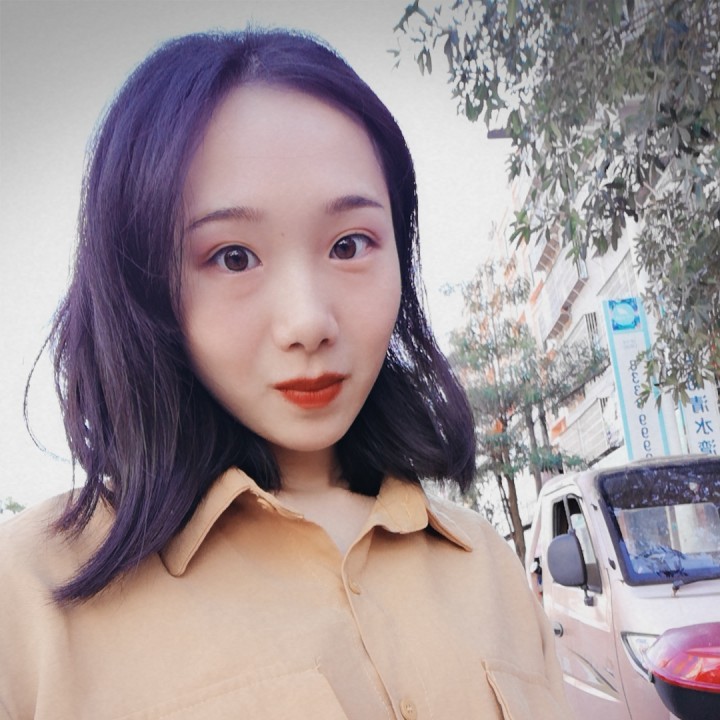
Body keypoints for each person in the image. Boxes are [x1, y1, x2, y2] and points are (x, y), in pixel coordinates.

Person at [0, 29, 572, 720]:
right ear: (140, 282)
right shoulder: (27, 598)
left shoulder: (487, 566)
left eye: (349, 245)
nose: (308, 322)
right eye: (233, 258)